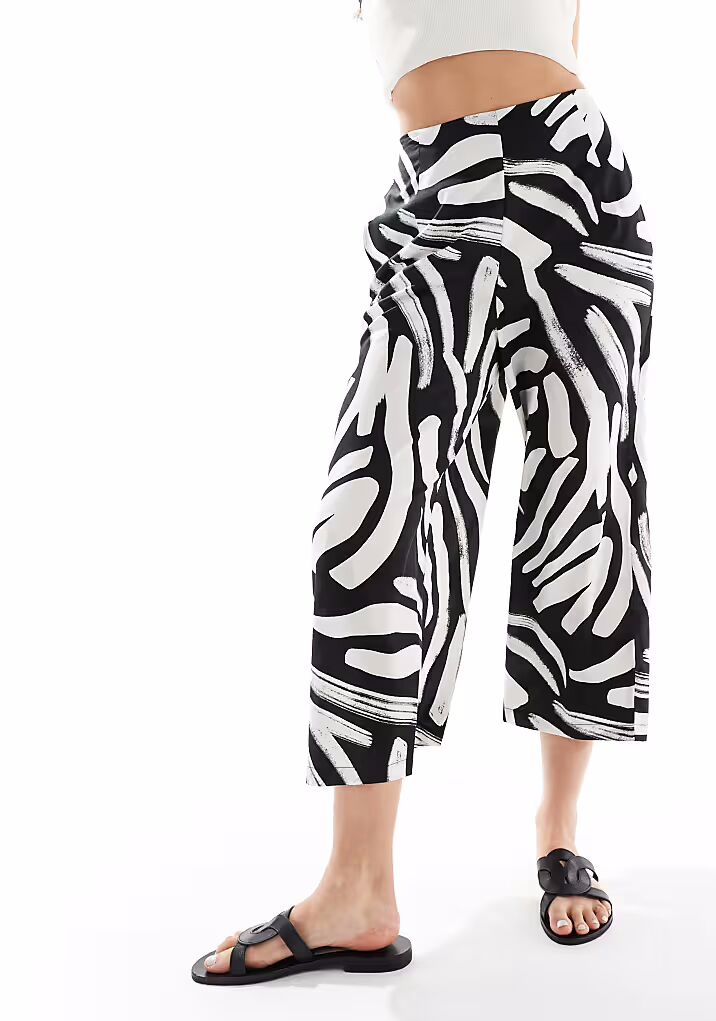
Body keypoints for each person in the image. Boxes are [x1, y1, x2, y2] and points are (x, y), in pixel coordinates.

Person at [192, 0, 653, 985]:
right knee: (366, 515)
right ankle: (358, 888)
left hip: (575, 179)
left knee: (583, 505)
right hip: (433, 191)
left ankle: (558, 830)